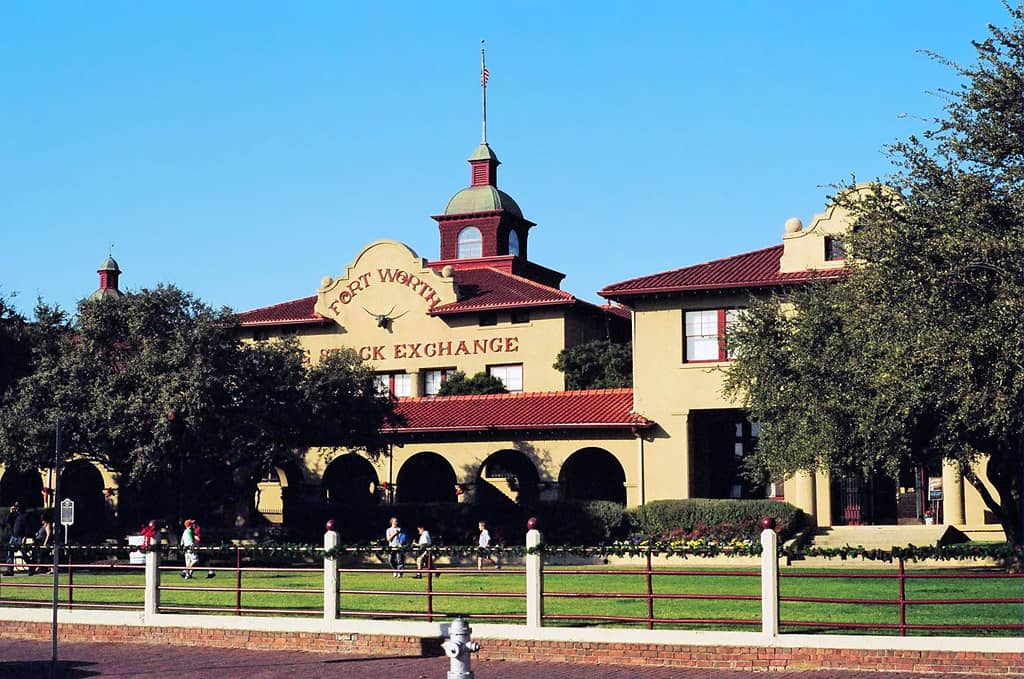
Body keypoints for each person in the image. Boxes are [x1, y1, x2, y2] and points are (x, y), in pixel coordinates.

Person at [5, 502, 28, 575]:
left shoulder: (25, 516)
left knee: (24, 553)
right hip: (14, 536)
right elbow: (7, 521)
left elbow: (27, 527)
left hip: (21, 537)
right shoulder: (15, 515)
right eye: (15, 507)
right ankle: (9, 569)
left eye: (17, 507)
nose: (16, 508)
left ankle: (31, 567)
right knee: (10, 552)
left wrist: (25, 537)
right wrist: (10, 513)